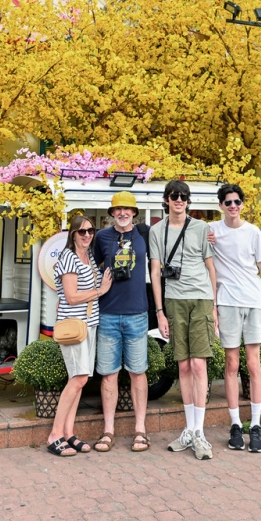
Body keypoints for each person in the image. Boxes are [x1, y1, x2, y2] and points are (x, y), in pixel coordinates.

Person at [150, 179, 218, 461]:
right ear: (166, 200)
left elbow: (210, 266)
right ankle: (189, 429)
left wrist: (214, 308)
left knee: (199, 363)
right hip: (174, 301)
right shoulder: (156, 230)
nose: (179, 200)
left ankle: (199, 431)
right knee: (183, 365)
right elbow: (155, 272)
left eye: (184, 196)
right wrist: (159, 312)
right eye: (174, 196)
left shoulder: (202, 228)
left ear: (189, 201)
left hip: (200, 298)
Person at [207, 184, 261, 453]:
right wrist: (213, 308)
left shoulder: (253, 232)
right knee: (232, 364)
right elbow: (185, 228)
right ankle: (235, 424)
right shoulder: (212, 230)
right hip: (227, 302)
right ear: (221, 205)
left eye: (237, 201)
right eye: (228, 202)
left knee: (254, 364)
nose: (233, 206)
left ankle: (255, 425)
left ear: (242, 204)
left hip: (254, 303)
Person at [46, 215, 112, 457]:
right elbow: (72, 296)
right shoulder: (69, 258)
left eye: (90, 231)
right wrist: (100, 291)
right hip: (74, 325)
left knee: (80, 380)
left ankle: (68, 432)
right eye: (82, 232)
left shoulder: (89, 257)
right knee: (78, 379)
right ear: (72, 234)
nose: (87, 235)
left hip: (89, 324)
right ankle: (55, 435)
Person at [91, 191, 151, 453]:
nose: (123, 213)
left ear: (134, 213)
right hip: (107, 314)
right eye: (118, 210)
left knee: (138, 373)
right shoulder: (102, 237)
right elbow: (87, 263)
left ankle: (141, 431)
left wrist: (209, 236)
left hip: (137, 313)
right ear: (112, 213)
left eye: (128, 209)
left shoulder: (145, 233)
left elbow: (175, 235)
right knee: (109, 375)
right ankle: (108, 431)